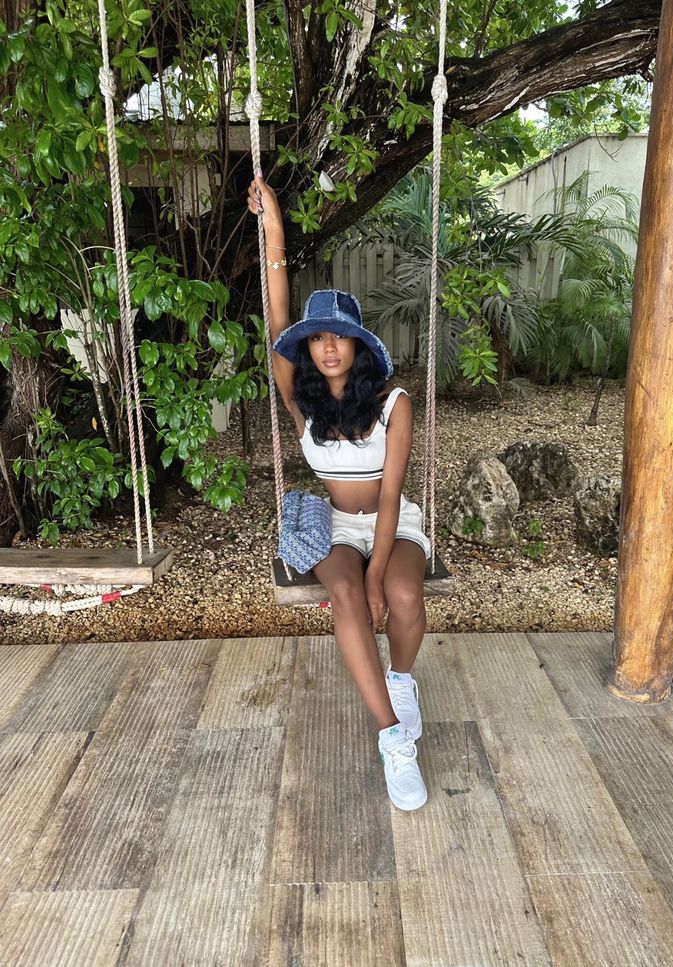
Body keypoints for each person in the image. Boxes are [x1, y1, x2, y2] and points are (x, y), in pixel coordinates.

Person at [247, 174, 430, 811]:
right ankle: (392, 738)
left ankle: (400, 681)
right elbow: (276, 317)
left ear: (357, 345)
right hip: (331, 524)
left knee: (402, 594)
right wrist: (273, 228)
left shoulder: (393, 405)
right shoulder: (304, 406)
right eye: (316, 337)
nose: (326, 346)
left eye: (338, 336)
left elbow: (390, 495)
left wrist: (381, 569)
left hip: (390, 521)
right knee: (348, 593)